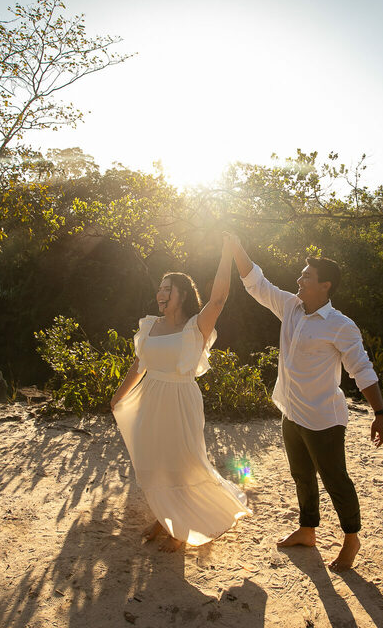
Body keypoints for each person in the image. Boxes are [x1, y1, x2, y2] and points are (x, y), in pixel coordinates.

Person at [226, 234, 383, 571]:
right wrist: (236, 247)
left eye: (306, 277)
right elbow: (257, 282)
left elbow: (361, 368)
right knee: (301, 474)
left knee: (335, 479)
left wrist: (380, 412)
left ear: (325, 286)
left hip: (324, 419)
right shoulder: (291, 306)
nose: (299, 280)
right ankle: (307, 530)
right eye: (301, 275)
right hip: (292, 411)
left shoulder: (341, 326)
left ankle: (351, 538)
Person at [110, 234, 251, 552]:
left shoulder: (195, 327)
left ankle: (181, 528)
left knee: (183, 463)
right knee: (156, 463)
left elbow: (218, 299)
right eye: (159, 288)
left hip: (180, 400)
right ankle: (164, 519)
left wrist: (227, 252)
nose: (160, 293)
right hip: (150, 399)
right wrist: (118, 395)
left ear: (182, 294)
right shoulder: (150, 326)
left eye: (167, 288)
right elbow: (139, 365)